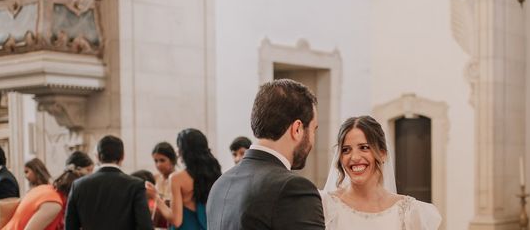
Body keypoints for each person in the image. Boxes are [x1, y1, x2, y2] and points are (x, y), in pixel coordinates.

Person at [206, 78, 324, 230]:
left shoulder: (221, 184)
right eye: (314, 129)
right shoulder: (293, 188)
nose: (313, 140)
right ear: (297, 129)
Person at [321, 116, 441, 229]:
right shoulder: (326, 206)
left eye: (364, 147)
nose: (355, 157)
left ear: (382, 153)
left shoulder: (408, 212)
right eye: (346, 150)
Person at [64, 135, 153, 230]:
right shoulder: (135, 185)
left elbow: (70, 227)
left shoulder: (78, 185)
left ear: (97, 157)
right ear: (123, 156)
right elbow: (145, 227)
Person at [149, 129, 221, 229]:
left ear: (183, 150)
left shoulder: (176, 178)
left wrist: (155, 196)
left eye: (178, 146)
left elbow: (176, 220)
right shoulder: (215, 173)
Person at [52, 151, 94, 230]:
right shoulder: (76, 186)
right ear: (78, 169)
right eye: (88, 170)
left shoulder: (62, 182)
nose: (91, 174)